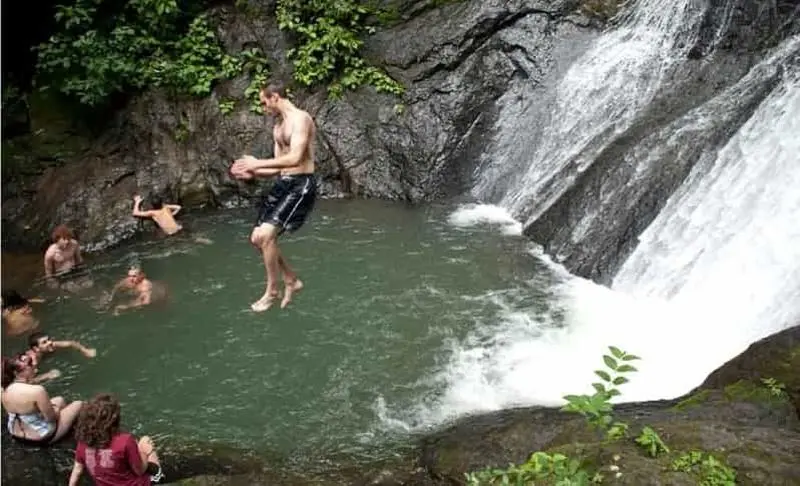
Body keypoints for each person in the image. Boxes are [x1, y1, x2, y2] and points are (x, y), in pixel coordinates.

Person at [230, 82, 318, 312]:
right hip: (284, 183)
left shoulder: (301, 119)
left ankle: (272, 290)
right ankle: (290, 279)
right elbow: (279, 167)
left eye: (264, 102)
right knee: (256, 239)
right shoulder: (278, 127)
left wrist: (256, 162)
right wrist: (253, 172)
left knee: (267, 235)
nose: (263, 108)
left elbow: (295, 158)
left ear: (275, 97)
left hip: (301, 185)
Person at [69, 393, 164, 486]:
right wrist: (146, 452)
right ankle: (161, 478)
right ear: (115, 419)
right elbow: (139, 471)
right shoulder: (125, 440)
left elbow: (77, 471)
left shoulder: (83, 442)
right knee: (145, 440)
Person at [1, 354, 83, 445]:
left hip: (15, 433)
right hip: (41, 438)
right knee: (78, 404)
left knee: (59, 400)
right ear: (16, 373)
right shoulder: (37, 391)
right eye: (30, 365)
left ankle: (65, 430)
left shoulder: (3, 389)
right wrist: (55, 409)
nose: (34, 366)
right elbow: (51, 418)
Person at [43, 224, 92, 290]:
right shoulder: (50, 253)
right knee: (74, 289)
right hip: (62, 275)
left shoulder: (74, 244)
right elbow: (48, 272)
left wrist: (84, 272)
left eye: (68, 238)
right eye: (64, 239)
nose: (67, 241)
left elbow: (79, 260)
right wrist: (52, 283)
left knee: (89, 284)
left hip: (74, 270)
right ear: (57, 239)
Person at [26, 331, 97, 368]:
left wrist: (85, 351)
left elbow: (71, 343)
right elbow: (26, 380)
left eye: (49, 339)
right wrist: (46, 375)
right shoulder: (32, 360)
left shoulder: (51, 345)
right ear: (36, 348)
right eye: (44, 342)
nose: (50, 342)